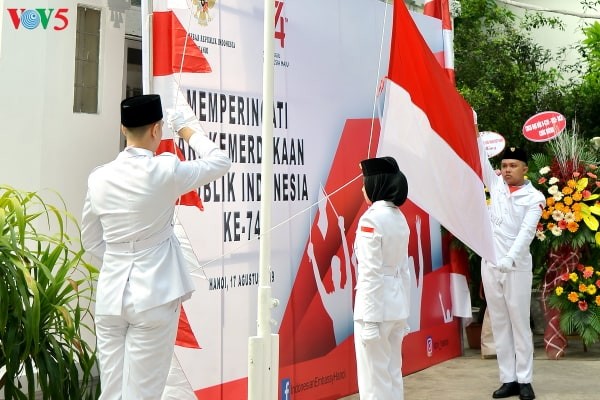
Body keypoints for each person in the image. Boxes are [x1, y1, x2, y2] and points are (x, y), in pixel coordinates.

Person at [81, 94, 231, 400]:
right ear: (156, 130)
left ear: (123, 129)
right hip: (154, 296)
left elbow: (90, 240)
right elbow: (220, 161)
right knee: (144, 394)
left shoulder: (98, 178)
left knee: (111, 393)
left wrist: (119, 260)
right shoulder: (166, 170)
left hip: (111, 296)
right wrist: (187, 129)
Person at [477, 136, 545, 400]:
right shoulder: (495, 185)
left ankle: (525, 379)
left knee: (519, 323)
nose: (506, 170)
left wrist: (509, 259)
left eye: (513, 165)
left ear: (525, 168)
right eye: (504, 165)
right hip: (491, 265)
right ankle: (508, 379)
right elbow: (481, 161)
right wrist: (474, 128)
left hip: (515, 267)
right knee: (500, 323)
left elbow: (526, 233)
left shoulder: (534, 197)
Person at [353, 156, 411, 400]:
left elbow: (370, 273)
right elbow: (404, 269)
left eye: (365, 181)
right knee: (392, 375)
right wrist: (405, 312)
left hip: (376, 311)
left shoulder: (371, 219)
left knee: (374, 384)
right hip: (396, 307)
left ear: (375, 184)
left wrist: (369, 320)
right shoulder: (398, 216)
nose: (361, 187)